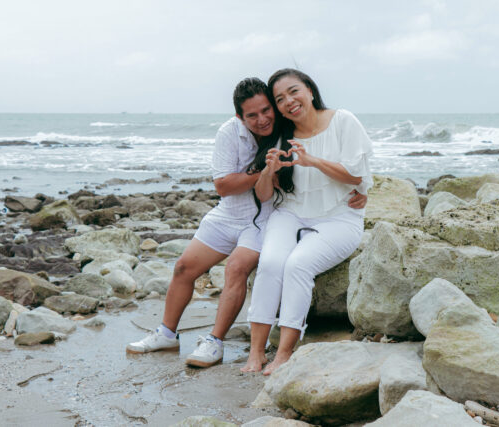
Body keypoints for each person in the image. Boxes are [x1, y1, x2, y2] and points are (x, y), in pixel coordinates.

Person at [127, 77, 367, 368]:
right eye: (252, 115)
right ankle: (166, 334)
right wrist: (266, 172)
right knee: (183, 267)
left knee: (237, 267)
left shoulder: (285, 126)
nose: (262, 119)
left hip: (264, 218)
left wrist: (363, 189)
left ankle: (215, 341)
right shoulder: (232, 131)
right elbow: (223, 185)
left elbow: (346, 163)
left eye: (267, 110)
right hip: (229, 213)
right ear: (240, 117)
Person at [242, 68, 373, 375]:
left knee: (298, 264)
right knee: (271, 262)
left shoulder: (343, 121)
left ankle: (284, 352)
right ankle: (256, 351)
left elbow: (356, 176)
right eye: (280, 99)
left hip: (340, 217)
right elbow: (264, 195)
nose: (289, 101)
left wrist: (312, 160)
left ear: (310, 90)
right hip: (290, 212)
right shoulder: (281, 136)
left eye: (294, 91)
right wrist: (268, 172)